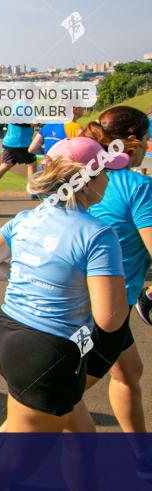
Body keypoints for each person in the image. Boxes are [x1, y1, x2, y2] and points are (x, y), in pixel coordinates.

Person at [0, 136, 128, 432]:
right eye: (105, 171)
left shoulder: (27, 218)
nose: (109, 178)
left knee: (82, 436)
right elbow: (110, 319)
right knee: (14, 463)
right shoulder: (99, 234)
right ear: (87, 180)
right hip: (48, 349)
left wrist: (28, 275)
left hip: (8, 333)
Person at [65, 107, 152, 468]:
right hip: (101, 314)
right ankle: (0, 447)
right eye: (146, 139)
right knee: (52, 400)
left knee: (128, 371)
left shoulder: (79, 178)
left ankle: (143, 455)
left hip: (68, 300)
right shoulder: (139, 187)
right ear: (133, 143)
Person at [0, 123, 37, 201]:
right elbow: (16, 121)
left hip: (9, 143)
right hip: (21, 143)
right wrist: (31, 124)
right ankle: (33, 191)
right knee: (31, 164)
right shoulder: (22, 111)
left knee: (5, 165)